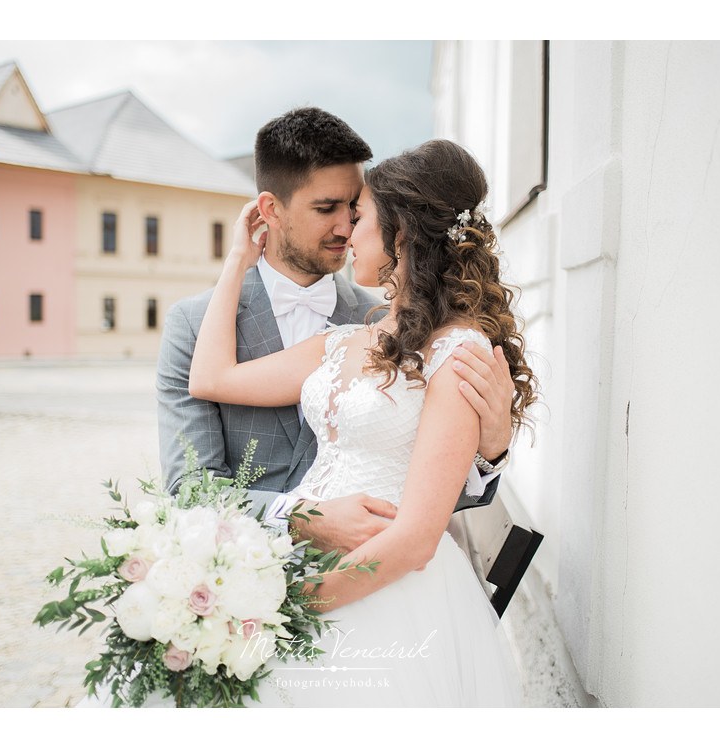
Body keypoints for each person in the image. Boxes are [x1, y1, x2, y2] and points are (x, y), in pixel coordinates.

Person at [188, 137, 537, 707]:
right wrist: (237, 261)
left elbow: (418, 539)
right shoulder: (346, 341)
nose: (348, 231)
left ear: (401, 235)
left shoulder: (458, 352)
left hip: (383, 589)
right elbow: (212, 378)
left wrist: (293, 603)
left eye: (362, 215)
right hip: (300, 557)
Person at [157, 108, 516, 557]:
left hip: (383, 572)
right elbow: (190, 490)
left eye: (354, 209)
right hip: (248, 572)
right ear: (271, 210)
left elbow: (429, 494)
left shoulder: (408, 324)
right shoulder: (195, 326)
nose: (346, 227)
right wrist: (299, 519)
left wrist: (492, 451)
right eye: (327, 208)